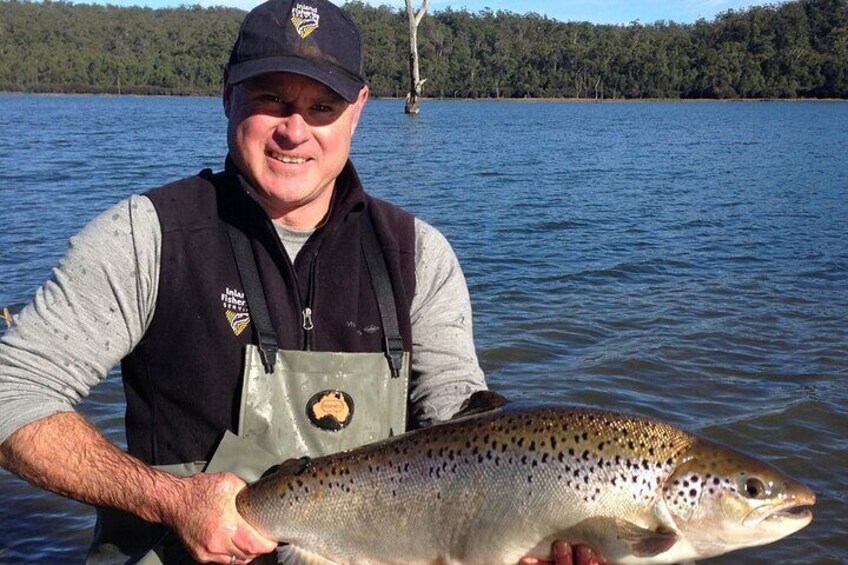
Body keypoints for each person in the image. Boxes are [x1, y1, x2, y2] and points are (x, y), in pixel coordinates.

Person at [0, 0, 602, 563]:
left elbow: (463, 429)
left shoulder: (419, 255)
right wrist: (169, 497)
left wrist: (528, 524)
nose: (295, 131)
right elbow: (12, 393)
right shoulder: (146, 236)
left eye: (322, 108)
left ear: (359, 109)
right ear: (228, 94)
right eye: (272, 99)